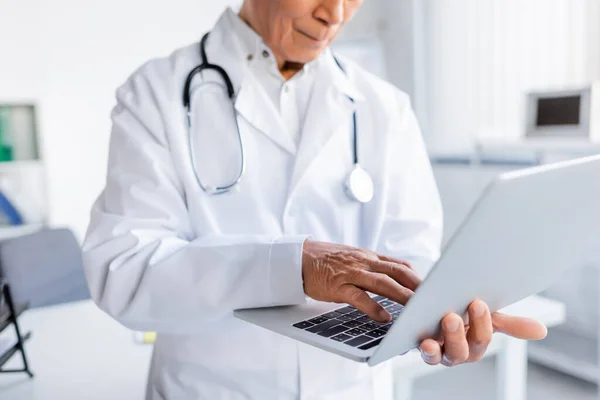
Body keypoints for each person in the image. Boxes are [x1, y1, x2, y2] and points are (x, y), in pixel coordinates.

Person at [82, 1, 547, 399]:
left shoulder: (384, 107)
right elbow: (124, 272)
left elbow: (412, 258)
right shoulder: (154, 95)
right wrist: (293, 266)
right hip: (211, 387)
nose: (335, 14)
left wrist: (440, 314)